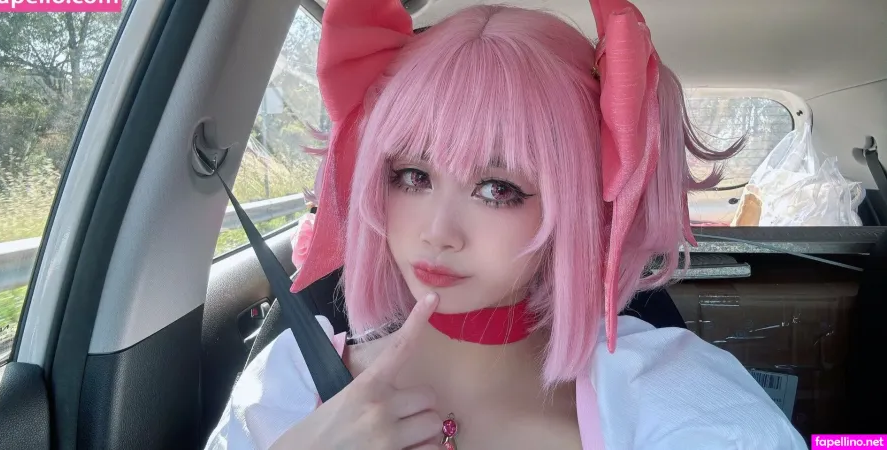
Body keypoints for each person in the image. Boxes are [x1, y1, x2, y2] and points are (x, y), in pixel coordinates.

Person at [206, 0, 809, 448]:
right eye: (412, 176)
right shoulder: (288, 384)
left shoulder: (670, 399)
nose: (438, 231)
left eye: (498, 189)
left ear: (575, 206)